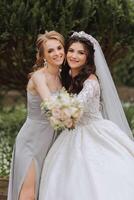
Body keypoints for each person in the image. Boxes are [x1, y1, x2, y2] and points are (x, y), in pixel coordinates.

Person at [38, 31, 134, 200]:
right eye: (71, 50)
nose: (74, 56)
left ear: (88, 58)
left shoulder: (91, 82)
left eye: (81, 53)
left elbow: (74, 109)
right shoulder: (67, 76)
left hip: (93, 132)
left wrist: (57, 111)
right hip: (72, 133)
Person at [7, 30, 65, 200]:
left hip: (52, 141)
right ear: (43, 56)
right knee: (28, 193)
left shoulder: (64, 77)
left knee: (45, 191)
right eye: (50, 51)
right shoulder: (38, 77)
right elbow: (49, 103)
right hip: (31, 142)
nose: (57, 53)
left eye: (59, 48)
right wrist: (68, 113)